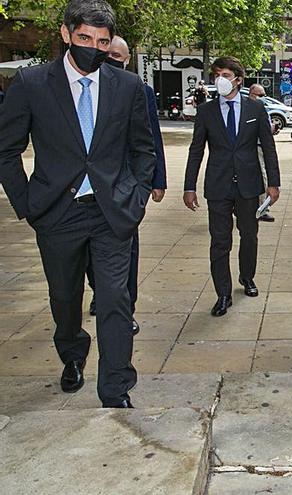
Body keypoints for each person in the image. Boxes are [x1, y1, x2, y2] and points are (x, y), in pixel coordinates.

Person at [0, 0, 155, 407]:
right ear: (66, 34)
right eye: (85, 38)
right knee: (65, 298)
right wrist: (29, 204)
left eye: (102, 41)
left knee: (115, 297)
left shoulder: (128, 87)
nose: (94, 47)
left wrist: (135, 198)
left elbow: (144, 149)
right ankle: (72, 353)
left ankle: (116, 389)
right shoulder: (32, 84)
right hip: (57, 213)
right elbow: (6, 150)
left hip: (112, 213)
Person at [184, 56, 280, 317]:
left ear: (238, 79)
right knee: (220, 241)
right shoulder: (206, 112)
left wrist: (274, 184)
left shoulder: (255, 109)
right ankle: (223, 293)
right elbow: (196, 151)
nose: (220, 80)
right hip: (218, 186)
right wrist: (188, 186)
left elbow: (268, 148)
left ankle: (247, 278)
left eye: (226, 75)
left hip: (249, 185)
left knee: (249, 236)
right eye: (217, 75)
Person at [85, 35, 167, 333]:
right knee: (86, 255)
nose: (110, 62)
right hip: (81, 188)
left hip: (124, 188)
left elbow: (150, 138)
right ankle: (102, 292)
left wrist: (154, 181)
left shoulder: (138, 91)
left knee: (126, 251)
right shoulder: (80, 88)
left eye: (117, 57)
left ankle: (124, 306)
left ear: (127, 59)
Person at [247, 83, 275, 223]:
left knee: (263, 179)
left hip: (260, 148)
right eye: (260, 95)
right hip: (252, 149)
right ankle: (260, 209)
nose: (262, 98)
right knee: (261, 178)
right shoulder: (245, 110)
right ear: (251, 94)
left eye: (264, 95)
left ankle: (262, 208)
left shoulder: (261, 109)